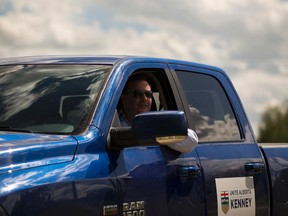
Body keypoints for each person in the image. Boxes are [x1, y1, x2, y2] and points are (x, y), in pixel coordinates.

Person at [119, 74, 198, 153]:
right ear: (123, 98)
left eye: (148, 94)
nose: (145, 98)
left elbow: (192, 141)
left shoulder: (157, 122)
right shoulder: (109, 123)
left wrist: (158, 129)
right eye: (139, 94)